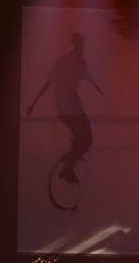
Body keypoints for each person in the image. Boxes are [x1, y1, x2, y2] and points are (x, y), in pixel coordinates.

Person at [27, 32, 103, 184]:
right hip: (74, 109)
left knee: (79, 135)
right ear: (78, 45)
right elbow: (91, 80)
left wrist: (33, 104)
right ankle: (68, 166)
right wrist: (99, 89)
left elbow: (47, 84)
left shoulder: (61, 61)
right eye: (81, 45)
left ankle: (72, 155)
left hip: (63, 111)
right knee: (87, 139)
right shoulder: (80, 63)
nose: (83, 48)